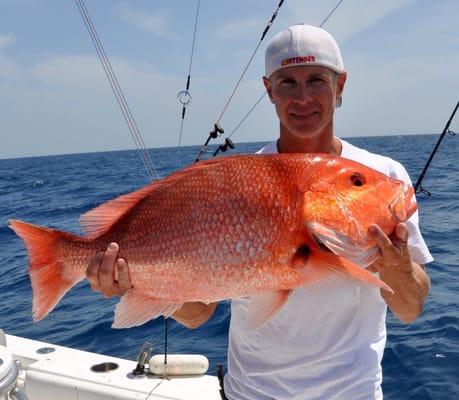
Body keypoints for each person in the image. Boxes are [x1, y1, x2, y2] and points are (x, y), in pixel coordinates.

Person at [86, 24, 432, 400]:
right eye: (287, 82)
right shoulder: (239, 180)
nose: (302, 97)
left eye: (316, 79)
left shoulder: (386, 177)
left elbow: (410, 308)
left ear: (341, 86)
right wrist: (136, 282)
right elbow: (198, 313)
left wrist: (397, 267)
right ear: (269, 90)